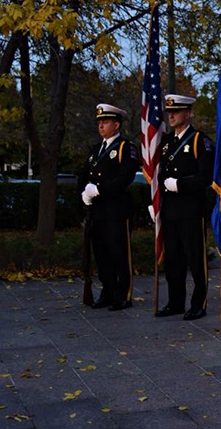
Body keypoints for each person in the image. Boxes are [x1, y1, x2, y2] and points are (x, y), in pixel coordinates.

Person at [154, 94, 214, 321]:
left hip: (190, 210)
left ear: (188, 113)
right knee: (173, 260)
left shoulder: (200, 141)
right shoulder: (167, 142)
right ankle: (175, 301)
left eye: (176, 111)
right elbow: (159, 176)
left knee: (195, 259)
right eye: (170, 111)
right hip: (170, 210)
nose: (171, 115)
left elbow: (205, 176)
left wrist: (180, 184)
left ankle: (198, 304)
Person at [79, 103, 139, 311]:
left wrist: (99, 190)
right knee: (101, 253)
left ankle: (123, 294)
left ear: (116, 124)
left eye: (105, 122)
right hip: (98, 210)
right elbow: (84, 174)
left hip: (116, 209)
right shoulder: (96, 150)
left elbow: (124, 178)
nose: (101, 126)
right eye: (99, 123)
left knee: (118, 252)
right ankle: (108, 291)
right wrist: (84, 192)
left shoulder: (125, 148)